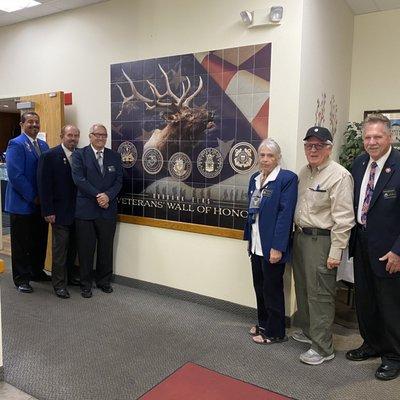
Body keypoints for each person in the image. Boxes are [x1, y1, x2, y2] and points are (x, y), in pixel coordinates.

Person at [292, 126, 354, 365]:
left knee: (321, 294)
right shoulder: (304, 172)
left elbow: (344, 219)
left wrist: (336, 252)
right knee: (305, 289)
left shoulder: (339, 175)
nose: (313, 149)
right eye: (309, 145)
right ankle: (309, 333)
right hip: (301, 238)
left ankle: (323, 347)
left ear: (329, 148)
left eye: (319, 145)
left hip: (323, 241)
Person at [347, 113, 400, 381]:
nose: (371, 141)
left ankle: (392, 356)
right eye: (367, 137)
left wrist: (398, 250)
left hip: (389, 248)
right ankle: (371, 344)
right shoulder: (359, 164)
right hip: (362, 241)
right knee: (365, 299)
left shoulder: (399, 164)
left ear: (389, 137)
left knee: (389, 304)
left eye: (377, 136)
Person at [244, 139, 297, 344]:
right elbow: (252, 210)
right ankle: (264, 323)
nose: (265, 159)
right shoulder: (255, 179)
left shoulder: (286, 179)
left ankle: (276, 332)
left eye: (270, 156)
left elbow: (285, 215)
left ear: (278, 158)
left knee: (272, 288)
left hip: (272, 245)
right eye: (262, 155)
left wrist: (277, 247)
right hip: (256, 244)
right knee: (260, 286)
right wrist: (249, 240)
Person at [71, 124, 123, 298]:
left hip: (107, 210)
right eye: (97, 134)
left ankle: (103, 281)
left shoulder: (114, 156)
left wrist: (107, 196)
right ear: (90, 135)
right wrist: (98, 196)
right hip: (86, 210)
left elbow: (118, 181)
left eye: (104, 135)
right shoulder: (79, 154)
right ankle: (85, 284)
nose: (101, 138)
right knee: (86, 249)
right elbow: (79, 179)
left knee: (106, 248)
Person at [5, 111, 50, 293]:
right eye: (30, 122)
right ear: (22, 124)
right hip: (22, 204)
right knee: (22, 244)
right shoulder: (16, 144)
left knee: (38, 241)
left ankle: (36, 271)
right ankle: (21, 279)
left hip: (40, 205)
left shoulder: (43, 144)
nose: (34, 125)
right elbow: (16, 176)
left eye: (37, 122)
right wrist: (34, 196)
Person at [37, 125, 81, 299]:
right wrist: (48, 210)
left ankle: (69, 277)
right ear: (62, 135)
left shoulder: (80, 155)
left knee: (73, 249)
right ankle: (59, 284)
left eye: (76, 135)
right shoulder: (49, 156)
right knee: (60, 250)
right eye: (70, 135)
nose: (73, 138)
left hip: (78, 212)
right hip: (58, 212)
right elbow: (43, 186)